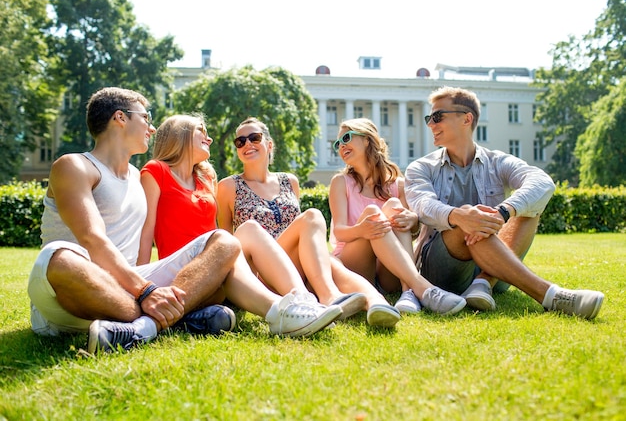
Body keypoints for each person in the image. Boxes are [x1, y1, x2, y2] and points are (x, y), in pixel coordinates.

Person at [27, 87, 341, 355]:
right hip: (77, 293)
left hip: (128, 289)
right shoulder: (74, 165)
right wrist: (147, 291)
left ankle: (277, 313)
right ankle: (185, 315)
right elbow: (92, 240)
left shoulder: (138, 177)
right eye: (146, 118)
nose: (152, 129)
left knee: (224, 242)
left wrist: (148, 287)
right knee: (60, 259)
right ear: (120, 117)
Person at [404, 85, 605, 319]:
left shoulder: (497, 161)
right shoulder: (421, 167)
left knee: (530, 207)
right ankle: (551, 295)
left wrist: (502, 212)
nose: (430, 124)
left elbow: (542, 182)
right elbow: (422, 205)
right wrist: (460, 217)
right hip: (441, 269)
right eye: (430, 118)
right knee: (471, 218)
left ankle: (483, 282)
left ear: (466, 119)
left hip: (495, 265)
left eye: (437, 116)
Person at [137, 114, 344, 321]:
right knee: (243, 233)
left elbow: (215, 232)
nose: (209, 140)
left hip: (216, 269)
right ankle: (287, 309)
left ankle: (303, 301)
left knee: (248, 230)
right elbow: (146, 233)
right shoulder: (156, 171)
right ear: (180, 133)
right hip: (185, 273)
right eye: (202, 132)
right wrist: (143, 290)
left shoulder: (206, 177)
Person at [217, 117, 401, 328]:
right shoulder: (228, 186)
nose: (247, 144)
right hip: (259, 271)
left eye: (254, 138)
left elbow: (300, 232)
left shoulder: (289, 181)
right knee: (259, 226)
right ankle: (328, 296)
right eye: (240, 142)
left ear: (269, 144)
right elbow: (227, 242)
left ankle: (377, 303)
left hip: (293, 266)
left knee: (331, 261)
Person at [328, 118, 466, 316]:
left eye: (346, 138)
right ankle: (422, 289)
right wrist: (361, 230)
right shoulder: (340, 182)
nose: (341, 146)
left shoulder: (398, 184)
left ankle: (407, 292)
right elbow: (339, 232)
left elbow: (410, 233)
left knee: (394, 206)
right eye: (337, 144)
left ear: (367, 139)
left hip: (389, 272)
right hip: (355, 264)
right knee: (373, 213)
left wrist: (413, 221)